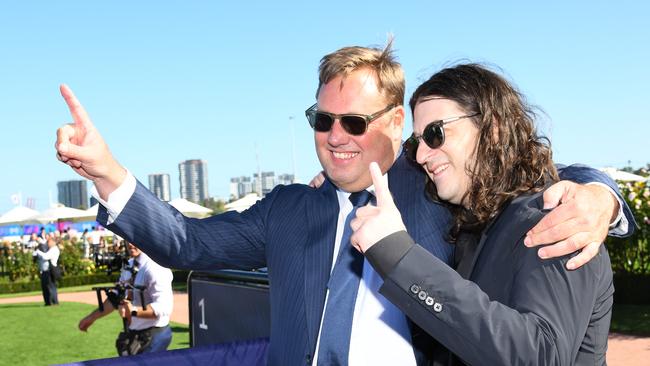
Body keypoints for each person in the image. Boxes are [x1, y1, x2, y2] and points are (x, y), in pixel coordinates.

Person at [55, 43, 632, 365]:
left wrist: (599, 194)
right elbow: (187, 242)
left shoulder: (436, 181)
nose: (335, 135)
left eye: (354, 121)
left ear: (395, 122)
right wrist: (106, 171)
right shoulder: (288, 207)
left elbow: (522, 175)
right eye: (322, 120)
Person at [350, 64, 624, 365]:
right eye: (416, 142)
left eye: (435, 133)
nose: (420, 155)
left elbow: (540, 355)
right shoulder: (475, 225)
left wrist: (399, 257)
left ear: (492, 129)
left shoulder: (557, 218)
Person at [78, 242, 174, 354]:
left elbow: (164, 308)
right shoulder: (129, 264)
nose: (130, 243)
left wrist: (133, 311)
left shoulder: (156, 268)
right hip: (135, 333)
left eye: (134, 238)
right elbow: (116, 298)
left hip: (155, 335)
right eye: (127, 238)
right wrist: (91, 318)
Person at [33, 237, 60, 306]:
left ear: (53, 242)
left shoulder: (54, 249)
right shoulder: (50, 249)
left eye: (49, 242)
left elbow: (46, 257)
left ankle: (53, 301)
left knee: (50, 286)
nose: (48, 243)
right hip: (45, 270)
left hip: (50, 270)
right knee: (45, 287)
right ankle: (48, 302)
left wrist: (38, 252)